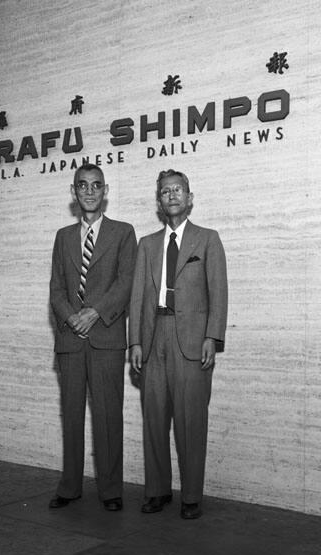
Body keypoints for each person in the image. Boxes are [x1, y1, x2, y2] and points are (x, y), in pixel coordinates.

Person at [129, 169, 228, 519]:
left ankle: (191, 496)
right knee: (154, 419)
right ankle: (157, 491)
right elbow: (138, 298)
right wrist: (135, 343)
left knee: (191, 422)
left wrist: (212, 337)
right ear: (159, 201)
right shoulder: (147, 244)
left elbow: (219, 293)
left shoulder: (207, 239)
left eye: (178, 190)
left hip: (191, 341)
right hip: (154, 338)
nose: (172, 196)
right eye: (165, 191)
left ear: (189, 198)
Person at [49, 164, 137, 511]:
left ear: (106, 191)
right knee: (71, 416)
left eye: (96, 185)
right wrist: (72, 317)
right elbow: (56, 288)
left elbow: (126, 281)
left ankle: (110, 490)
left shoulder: (122, 233)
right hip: (71, 339)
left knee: (107, 415)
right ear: (74, 192)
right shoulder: (62, 236)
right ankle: (69, 487)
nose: (89, 191)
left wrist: (95, 312)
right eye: (82, 186)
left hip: (106, 337)